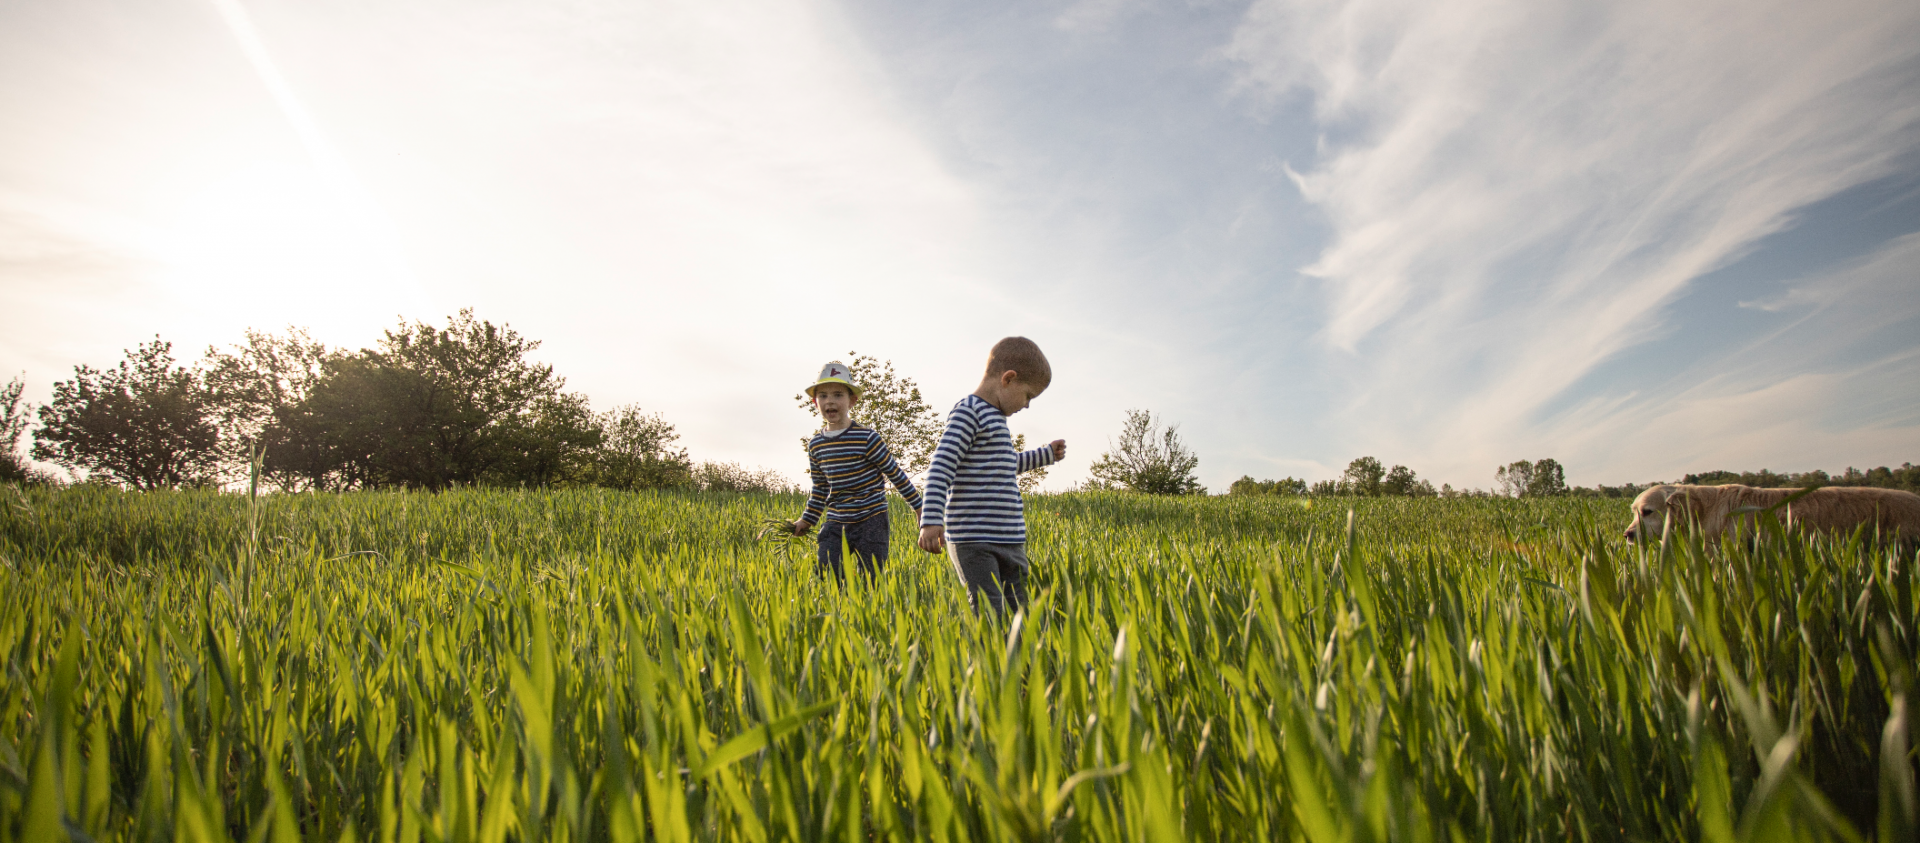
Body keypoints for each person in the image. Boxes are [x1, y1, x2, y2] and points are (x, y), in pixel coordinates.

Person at [918, 337, 1067, 614]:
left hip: (1010, 538)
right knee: (989, 611)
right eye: (1028, 396)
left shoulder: (997, 419)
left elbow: (1005, 464)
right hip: (974, 539)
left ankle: (1018, 656)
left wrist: (1045, 455)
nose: (1027, 405)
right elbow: (941, 466)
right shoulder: (969, 412)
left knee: (1019, 610)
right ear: (1008, 379)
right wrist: (931, 520)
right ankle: (989, 657)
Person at [789, 361, 924, 583]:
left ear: (852, 400)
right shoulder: (816, 445)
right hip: (836, 520)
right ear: (815, 402)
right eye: (822, 395)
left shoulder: (867, 438)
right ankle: (839, 614)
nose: (829, 400)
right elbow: (820, 488)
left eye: (838, 395)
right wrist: (807, 520)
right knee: (827, 574)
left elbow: (895, 474)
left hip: (871, 519)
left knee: (871, 580)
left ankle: (869, 614)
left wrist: (919, 508)